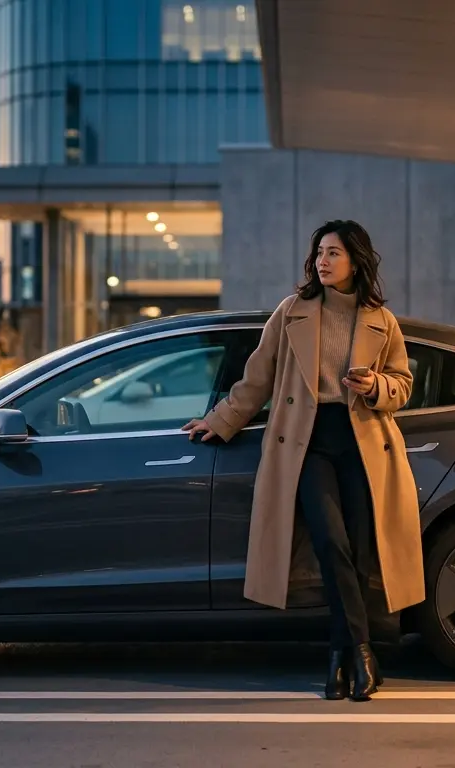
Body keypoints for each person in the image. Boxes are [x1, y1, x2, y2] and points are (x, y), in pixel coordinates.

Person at [182, 220, 423, 702]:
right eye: (318, 253)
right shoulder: (292, 312)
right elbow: (258, 378)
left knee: (357, 551)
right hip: (307, 443)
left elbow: (402, 385)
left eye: (333, 253)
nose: (322, 261)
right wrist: (224, 418)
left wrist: (376, 387)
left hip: (363, 442)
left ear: (357, 260)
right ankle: (361, 652)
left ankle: (340, 658)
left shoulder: (381, 320)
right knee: (330, 543)